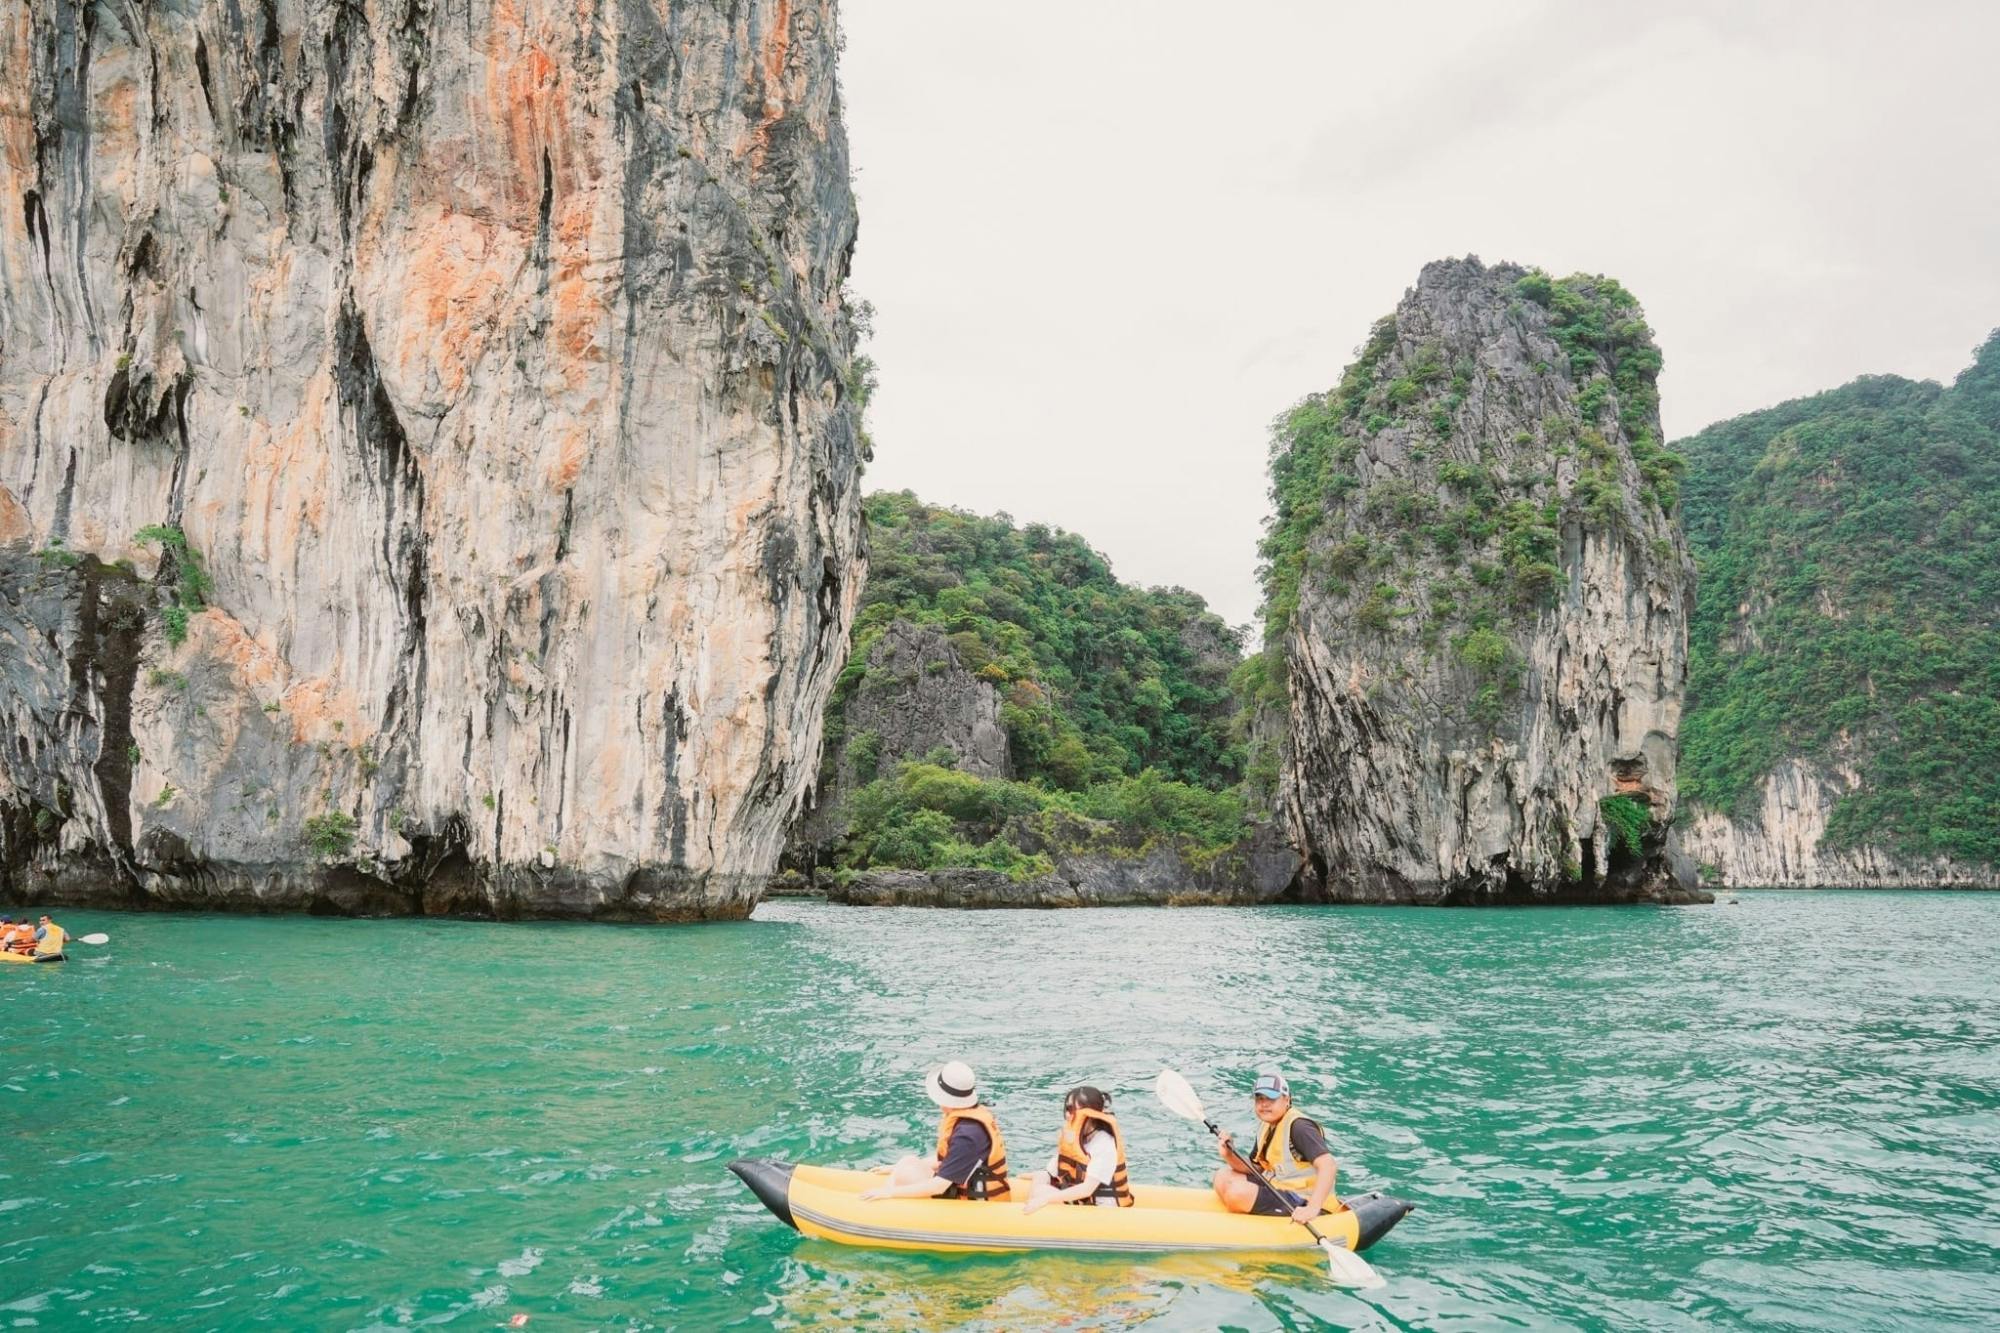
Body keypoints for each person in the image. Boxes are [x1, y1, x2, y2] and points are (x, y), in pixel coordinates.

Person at [859, 1061, 1012, 1203]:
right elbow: (953, 1159)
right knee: (908, 1162)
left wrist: (890, 1192)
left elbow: (939, 1186)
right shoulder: (971, 1119)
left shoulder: (967, 1135)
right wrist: (896, 1167)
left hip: (974, 1203)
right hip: (969, 1188)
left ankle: (884, 1209)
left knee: (906, 1168)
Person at [1211, 1071, 1337, 1224]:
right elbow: (1256, 1168)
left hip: (1305, 1199)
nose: (1264, 1104)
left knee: (1237, 1193)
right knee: (1222, 1176)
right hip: (1279, 1188)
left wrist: (1312, 1208)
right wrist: (1229, 1155)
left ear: (1286, 1099)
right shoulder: (1267, 1125)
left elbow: (1328, 1166)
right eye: (1259, 1099)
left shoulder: (1300, 1127)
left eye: (1271, 1098)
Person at [1022, 1085, 1133, 1214]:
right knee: (1041, 1178)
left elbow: (1087, 1189)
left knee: (1042, 1192)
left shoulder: (1104, 1144)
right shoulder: (1076, 1137)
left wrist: (1045, 1198)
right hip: (1083, 1201)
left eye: (1072, 1109)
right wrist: (1040, 1177)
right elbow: (1053, 1171)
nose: (1068, 1114)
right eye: (1067, 1108)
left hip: (1101, 1209)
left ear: (1091, 1113)